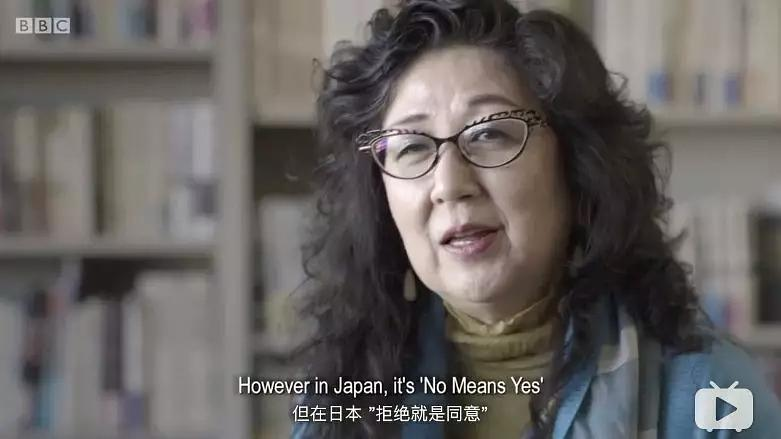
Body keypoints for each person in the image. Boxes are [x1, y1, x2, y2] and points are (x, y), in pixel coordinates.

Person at [290, 0, 781, 437]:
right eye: (412, 146)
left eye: (490, 134)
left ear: (576, 164)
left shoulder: (712, 396)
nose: (449, 184)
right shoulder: (345, 396)